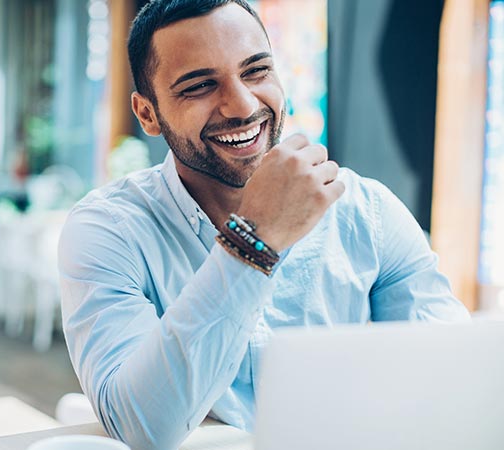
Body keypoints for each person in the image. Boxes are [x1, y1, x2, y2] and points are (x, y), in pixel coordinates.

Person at [58, 1, 470, 448]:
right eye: (199, 86)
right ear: (148, 115)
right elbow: (142, 426)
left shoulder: (365, 212)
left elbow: (453, 380)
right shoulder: (108, 230)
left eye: (256, 71)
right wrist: (254, 240)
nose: (242, 104)